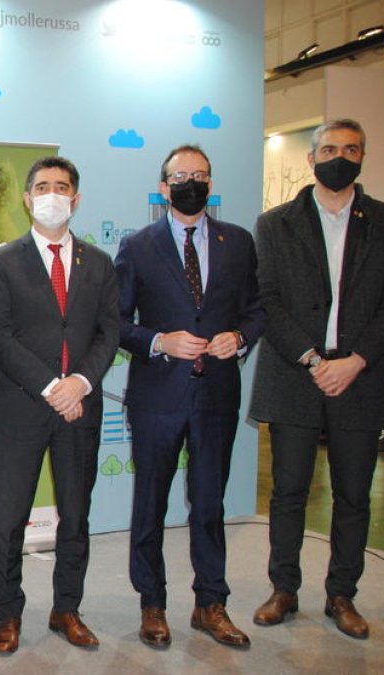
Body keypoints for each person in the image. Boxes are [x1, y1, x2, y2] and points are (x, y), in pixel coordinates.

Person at [250, 118, 384, 640]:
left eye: (351, 149)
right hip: (296, 374)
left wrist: (355, 360)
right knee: (288, 491)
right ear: (310, 160)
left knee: (353, 494)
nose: (340, 156)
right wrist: (314, 359)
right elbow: (266, 299)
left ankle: (342, 595)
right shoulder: (275, 224)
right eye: (329, 148)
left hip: (362, 376)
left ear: (362, 157)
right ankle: (283, 589)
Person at [115, 145, 265, 649]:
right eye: (181, 176)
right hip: (157, 395)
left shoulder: (239, 242)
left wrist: (240, 338)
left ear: (211, 181)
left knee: (209, 504)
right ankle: (152, 604)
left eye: (200, 175)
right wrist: (159, 341)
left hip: (217, 394)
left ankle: (210, 603)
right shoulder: (138, 245)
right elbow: (114, 323)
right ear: (164, 187)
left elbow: (257, 309)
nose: (191, 183)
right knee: (150, 503)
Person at [0, 156, 118, 655]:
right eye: (43, 186)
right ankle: (9, 612)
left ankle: (67, 609)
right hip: (22, 405)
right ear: (27, 197)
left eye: (62, 187)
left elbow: (110, 332)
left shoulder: (99, 263)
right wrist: (50, 386)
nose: (53, 194)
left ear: (76, 199)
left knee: (76, 515)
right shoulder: (1, 263)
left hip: (80, 407)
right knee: (9, 516)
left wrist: (79, 382)